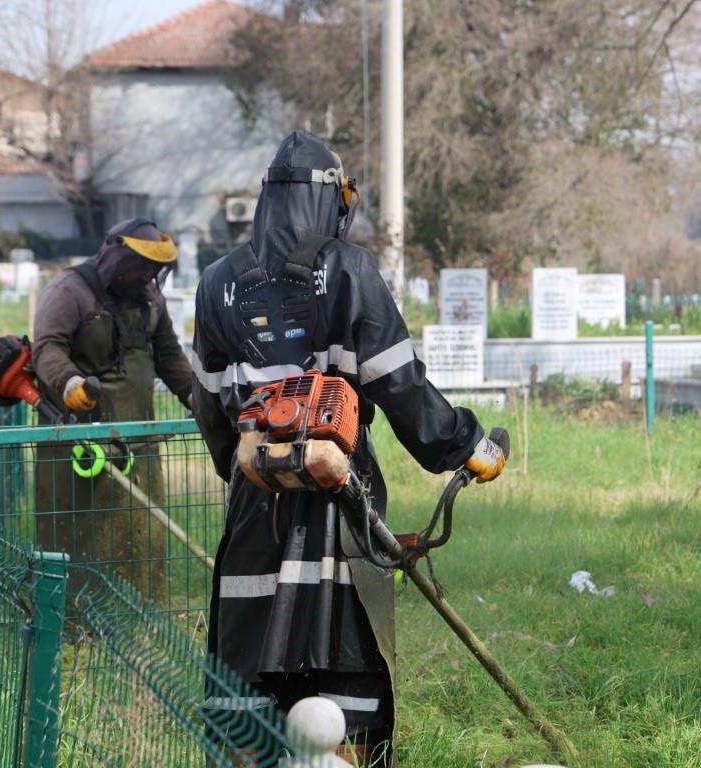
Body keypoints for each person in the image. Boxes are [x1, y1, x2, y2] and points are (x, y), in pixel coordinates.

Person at [190, 130, 506, 767]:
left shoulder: (216, 282)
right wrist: (465, 444)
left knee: (249, 665)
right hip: (343, 505)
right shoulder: (351, 270)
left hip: (255, 512)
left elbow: (210, 406)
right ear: (330, 199)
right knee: (345, 663)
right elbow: (401, 387)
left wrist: (245, 465)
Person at [31, 218, 195, 606]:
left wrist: (196, 396)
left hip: (140, 439)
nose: (145, 275)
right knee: (83, 532)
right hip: (79, 442)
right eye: (138, 265)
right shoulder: (69, 291)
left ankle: (141, 609)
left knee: (142, 528)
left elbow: (169, 355)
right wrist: (69, 383)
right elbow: (47, 348)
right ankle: (74, 618)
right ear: (114, 256)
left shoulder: (152, 297)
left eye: (152, 269)